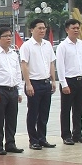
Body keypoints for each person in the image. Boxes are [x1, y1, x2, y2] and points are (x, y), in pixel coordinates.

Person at [0, 27, 24, 155]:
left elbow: (18, 72)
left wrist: (19, 90)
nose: (9, 38)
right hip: (0, 90)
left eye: (10, 36)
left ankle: (10, 143)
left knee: (12, 118)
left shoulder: (13, 54)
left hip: (12, 89)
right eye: (5, 36)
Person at [20, 18, 57, 150]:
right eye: (39, 28)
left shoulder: (47, 45)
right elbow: (24, 65)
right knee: (33, 113)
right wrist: (28, 83)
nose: (42, 30)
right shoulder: (27, 46)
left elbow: (51, 63)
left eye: (44, 28)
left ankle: (42, 138)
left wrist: (53, 80)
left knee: (44, 113)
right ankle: (33, 140)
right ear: (32, 30)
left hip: (46, 83)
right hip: (34, 83)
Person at [56, 19, 82, 145]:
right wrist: (63, 83)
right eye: (73, 28)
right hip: (68, 81)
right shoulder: (62, 46)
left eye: (78, 28)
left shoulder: (81, 44)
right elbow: (60, 66)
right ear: (67, 30)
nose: (76, 30)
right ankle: (66, 135)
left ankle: (77, 133)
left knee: (78, 109)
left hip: (79, 79)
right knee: (66, 109)